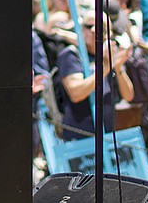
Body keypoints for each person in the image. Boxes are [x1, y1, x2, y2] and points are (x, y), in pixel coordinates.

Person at [53, 12, 135, 140]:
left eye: (100, 27)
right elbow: (76, 93)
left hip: (106, 134)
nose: (94, 30)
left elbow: (128, 96)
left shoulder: (108, 55)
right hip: (80, 135)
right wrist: (106, 68)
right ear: (81, 29)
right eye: (89, 26)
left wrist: (118, 67)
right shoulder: (72, 55)